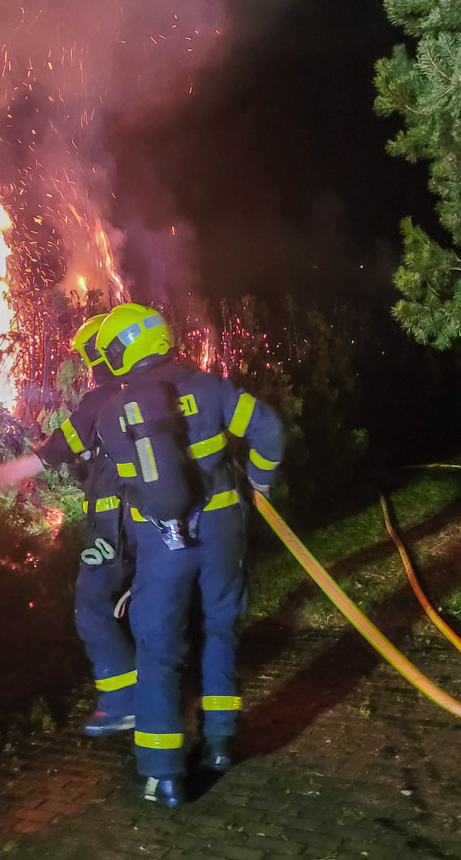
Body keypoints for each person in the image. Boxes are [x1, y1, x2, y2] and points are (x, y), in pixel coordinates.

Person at [92, 303, 285, 807]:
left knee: (159, 650)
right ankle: (219, 744)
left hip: (161, 542)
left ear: (120, 352)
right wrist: (261, 483)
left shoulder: (115, 410)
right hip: (222, 529)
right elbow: (269, 430)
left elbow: (118, 485)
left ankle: (165, 775)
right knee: (221, 630)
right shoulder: (211, 387)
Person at [0, 313, 138, 736]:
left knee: (92, 605)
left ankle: (124, 703)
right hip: (151, 520)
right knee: (140, 603)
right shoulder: (148, 391)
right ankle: (155, 685)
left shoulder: (102, 399)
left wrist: (2, 475)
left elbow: (56, 450)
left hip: (114, 523)